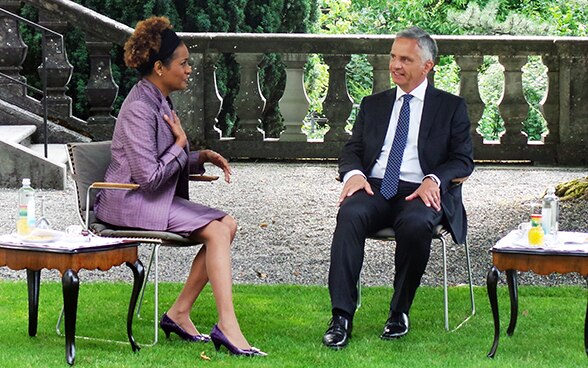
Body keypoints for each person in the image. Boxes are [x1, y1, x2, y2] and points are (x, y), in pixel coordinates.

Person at [94, 16, 266, 357]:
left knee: (226, 225)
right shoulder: (139, 109)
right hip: (128, 201)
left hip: (148, 197)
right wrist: (181, 145)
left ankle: (179, 313)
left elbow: (160, 161)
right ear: (159, 67)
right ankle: (228, 328)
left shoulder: (158, 99)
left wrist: (197, 156)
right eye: (183, 63)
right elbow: (149, 177)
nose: (189, 69)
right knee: (217, 232)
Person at [322, 26, 474, 349]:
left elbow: (463, 160)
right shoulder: (373, 104)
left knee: (417, 223)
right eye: (393, 57)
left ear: (427, 66)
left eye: (405, 59)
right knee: (349, 214)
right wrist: (353, 175)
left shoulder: (450, 107)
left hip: (421, 189)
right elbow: (352, 149)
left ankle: (399, 311)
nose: (395, 65)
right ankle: (341, 317)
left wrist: (435, 180)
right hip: (375, 187)